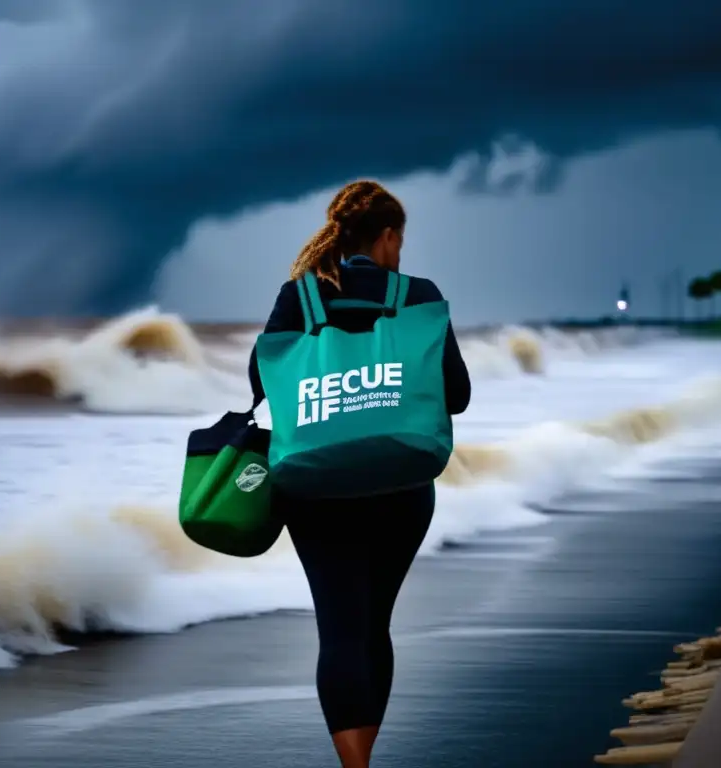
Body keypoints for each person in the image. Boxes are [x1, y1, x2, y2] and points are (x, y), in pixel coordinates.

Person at [248, 180, 471, 768]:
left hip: (316, 489)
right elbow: (460, 395)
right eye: (400, 241)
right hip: (401, 489)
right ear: (389, 236)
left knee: (340, 629)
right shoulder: (417, 293)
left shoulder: (298, 297)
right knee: (374, 626)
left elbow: (262, 383)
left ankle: (355, 766)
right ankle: (362, 760)